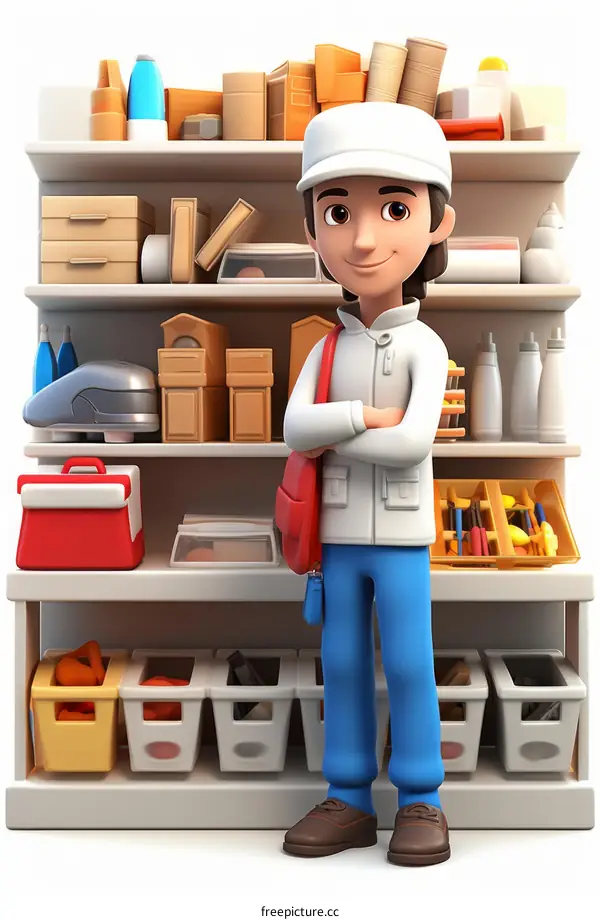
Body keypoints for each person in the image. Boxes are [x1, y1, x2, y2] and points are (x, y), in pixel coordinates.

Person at [282, 102, 455, 867]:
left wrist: (342, 427)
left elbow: (416, 441)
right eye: (337, 211)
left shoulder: (426, 342)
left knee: (412, 663)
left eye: (393, 207)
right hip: (340, 539)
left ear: (437, 222)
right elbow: (294, 430)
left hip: (404, 539)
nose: (363, 237)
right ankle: (348, 796)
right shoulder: (324, 350)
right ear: (313, 231)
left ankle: (422, 796)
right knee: (345, 664)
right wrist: (363, 415)